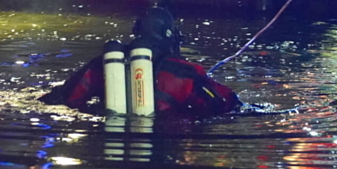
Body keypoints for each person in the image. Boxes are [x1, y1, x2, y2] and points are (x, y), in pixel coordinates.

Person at [40, 8, 241, 118]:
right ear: (169, 36)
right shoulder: (187, 73)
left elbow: (61, 99)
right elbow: (225, 104)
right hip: (164, 137)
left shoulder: (103, 64)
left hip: (111, 138)